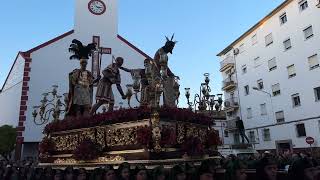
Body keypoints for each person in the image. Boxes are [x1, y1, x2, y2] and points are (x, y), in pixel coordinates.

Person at [67, 39, 97, 117]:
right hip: (78, 91)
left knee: (86, 108)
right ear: (80, 64)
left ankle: (85, 122)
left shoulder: (88, 73)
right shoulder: (76, 72)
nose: (84, 64)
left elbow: (91, 82)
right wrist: (80, 82)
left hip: (86, 91)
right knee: (78, 108)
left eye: (85, 63)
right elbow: (73, 81)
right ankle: (78, 121)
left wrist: (97, 79)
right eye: (83, 63)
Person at [152, 34, 179, 107]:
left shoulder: (163, 52)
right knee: (168, 83)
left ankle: (169, 104)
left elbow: (164, 66)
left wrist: (170, 74)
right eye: (170, 49)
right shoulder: (161, 52)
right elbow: (162, 65)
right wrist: (171, 74)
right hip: (157, 75)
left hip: (160, 74)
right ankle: (169, 105)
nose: (169, 52)